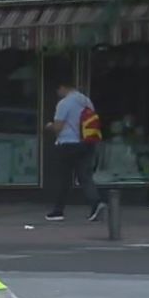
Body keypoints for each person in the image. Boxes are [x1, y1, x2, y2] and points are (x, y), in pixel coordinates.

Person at [45, 79, 104, 222]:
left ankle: (58, 211)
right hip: (86, 142)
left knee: (64, 178)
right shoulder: (86, 101)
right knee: (85, 176)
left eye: (58, 90)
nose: (58, 94)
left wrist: (49, 126)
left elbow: (58, 127)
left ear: (62, 87)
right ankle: (96, 203)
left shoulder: (64, 103)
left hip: (68, 144)